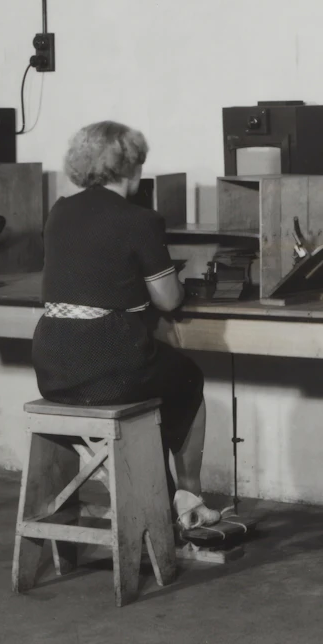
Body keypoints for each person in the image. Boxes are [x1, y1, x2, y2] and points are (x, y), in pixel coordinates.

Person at [30, 120, 226, 542]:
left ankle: (161, 495)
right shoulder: (141, 220)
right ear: (133, 168)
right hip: (108, 367)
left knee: (154, 380)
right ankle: (187, 499)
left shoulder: (59, 211)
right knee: (188, 377)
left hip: (52, 366)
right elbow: (169, 301)